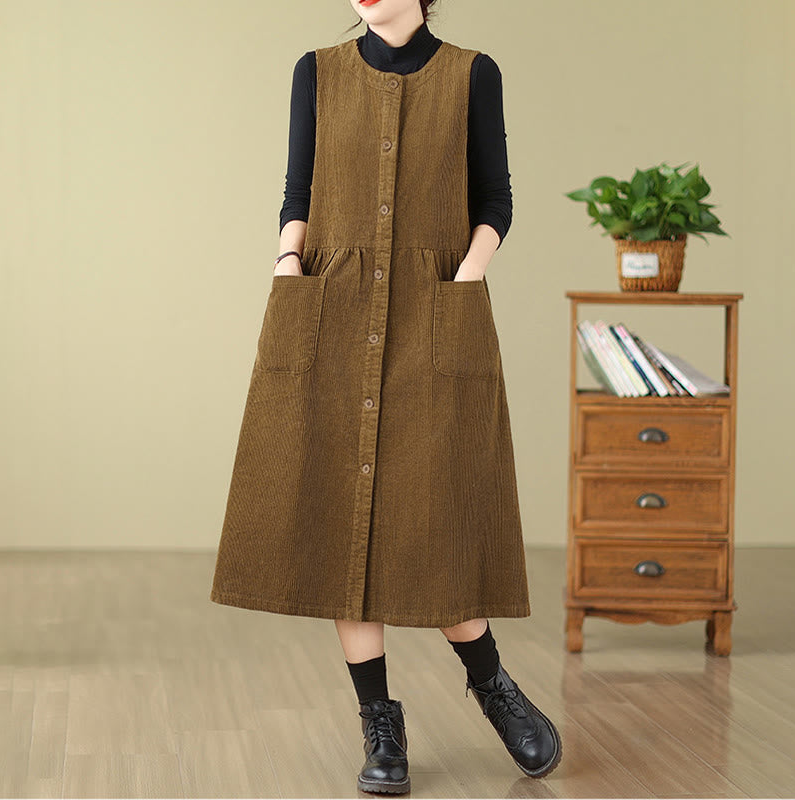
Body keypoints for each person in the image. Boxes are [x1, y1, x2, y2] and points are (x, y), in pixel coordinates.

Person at [210, 0, 562, 793]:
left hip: (433, 316)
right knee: (345, 528)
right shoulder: (316, 74)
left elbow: (496, 198)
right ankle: (380, 726)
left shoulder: (473, 75)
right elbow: (297, 190)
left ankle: (492, 686)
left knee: (431, 522)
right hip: (332, 314)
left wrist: (463, 280)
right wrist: (287, 263)